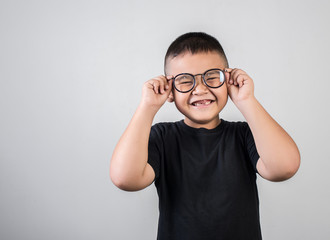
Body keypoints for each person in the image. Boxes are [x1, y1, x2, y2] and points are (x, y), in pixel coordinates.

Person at [110, 32, 300, 240]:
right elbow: (124, 178)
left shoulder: (245, 135)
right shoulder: (162, 137)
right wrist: (147, 107)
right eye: (184, 80)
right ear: (170, 91)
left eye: (211, 77)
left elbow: (285, 168)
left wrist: (246, 100)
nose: (200, 89)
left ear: (227, 80)